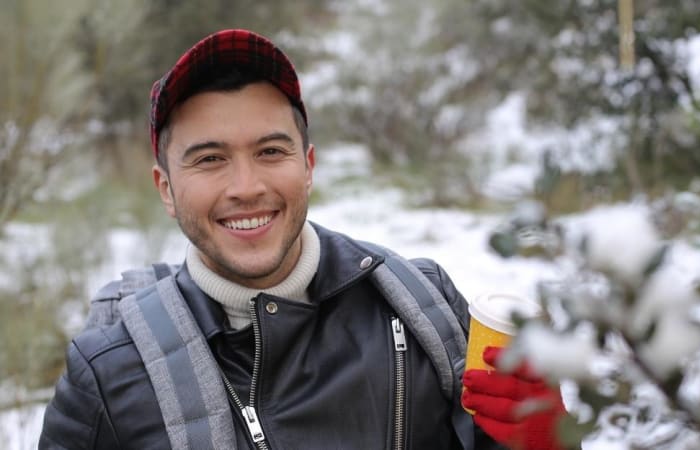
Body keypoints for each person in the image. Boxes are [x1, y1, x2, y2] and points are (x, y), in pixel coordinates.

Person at [39, 29, 563, 449]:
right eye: (209, 159)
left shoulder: (423, 310)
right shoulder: (110, 373)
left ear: (308, 166)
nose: (247, 188)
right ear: (166, 189)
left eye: (271, 151)